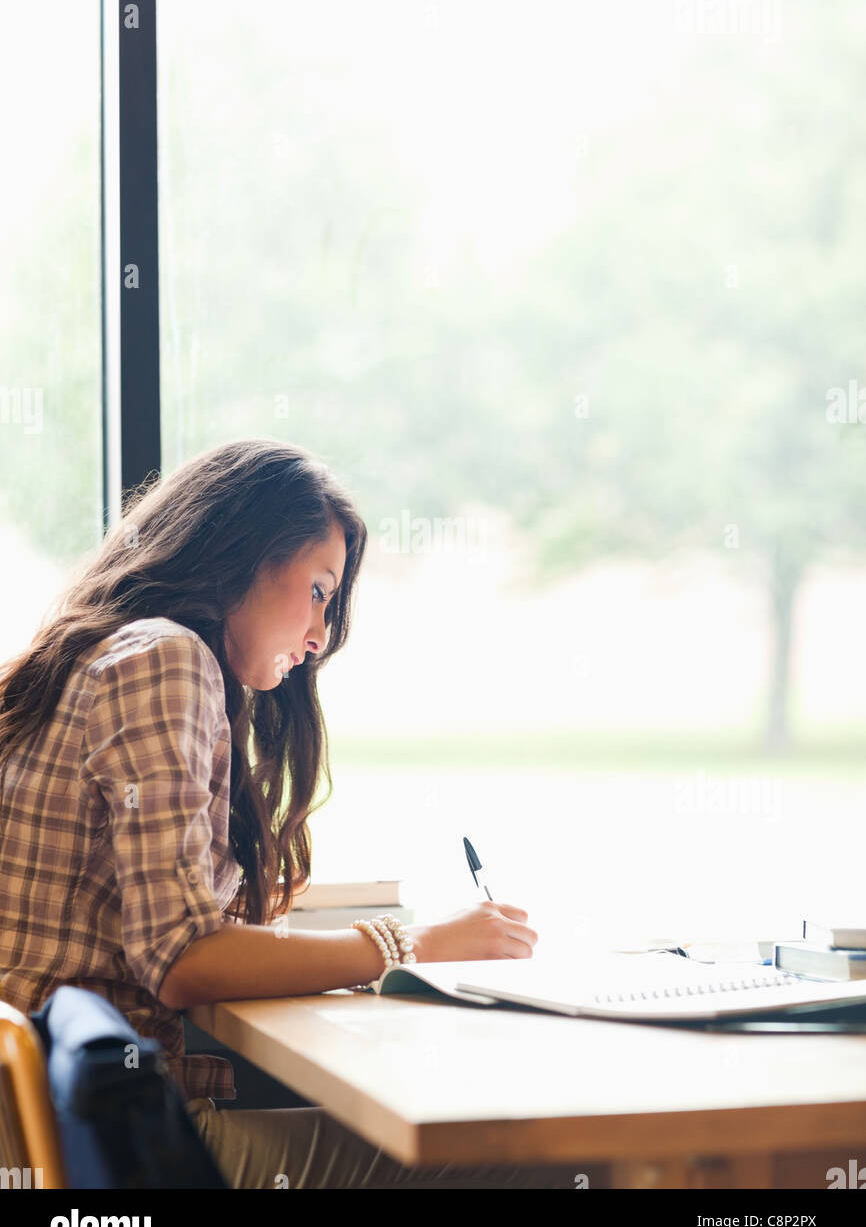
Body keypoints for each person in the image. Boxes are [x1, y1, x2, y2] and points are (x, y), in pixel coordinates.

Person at [0, 438, 591, 1188]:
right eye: (318, 589)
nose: (318, 637)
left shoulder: (87, 657)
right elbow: (182, 958)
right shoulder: (164, 658)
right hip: (96, 1154)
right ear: (240, 554)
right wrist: (413, 944)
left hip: (47, 1131)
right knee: (535, 1163)